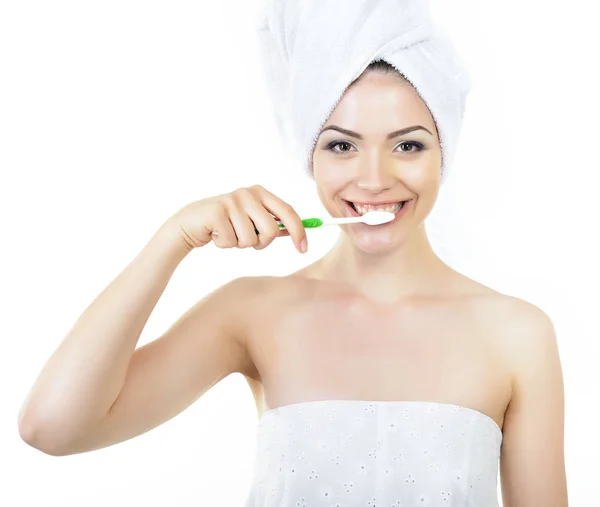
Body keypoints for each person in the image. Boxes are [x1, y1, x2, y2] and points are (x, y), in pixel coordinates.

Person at [18, 18, 568, 507]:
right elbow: (52, 427)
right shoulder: (253, 312)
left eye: (407, 146)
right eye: (341, 146)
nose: (374, 179)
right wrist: (172, 239)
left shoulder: (517, 333)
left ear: (444, 153)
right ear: (310, 154)